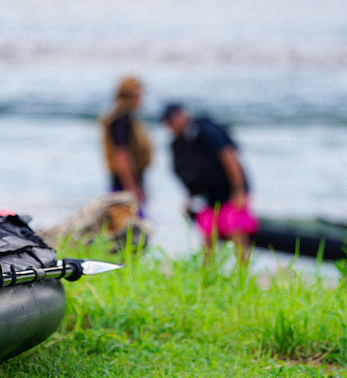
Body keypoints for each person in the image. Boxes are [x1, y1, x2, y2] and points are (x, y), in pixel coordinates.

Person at [162, 103, 258, 263]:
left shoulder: (206, 131)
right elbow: (192, 173)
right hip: (208, 195)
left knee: (236, 230)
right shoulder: (179, 143)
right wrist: (190, 199)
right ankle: (208, 274)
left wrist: (239, 190)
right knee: (208, 234)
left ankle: (243, 272)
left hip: (230, 190)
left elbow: (229, 158)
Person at [99, 76, 152, 211]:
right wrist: (132, 189)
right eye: (139, 95)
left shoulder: (124, 119)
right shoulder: (120, 121)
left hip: (127, 181)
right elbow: (122, 155)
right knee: (132, 225)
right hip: (125, 183)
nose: (141, 99)